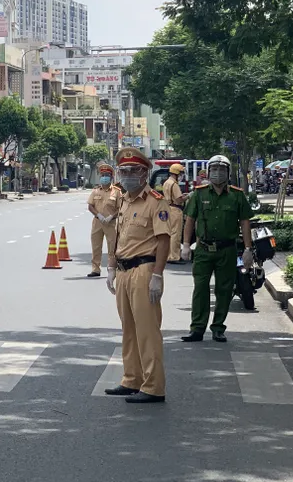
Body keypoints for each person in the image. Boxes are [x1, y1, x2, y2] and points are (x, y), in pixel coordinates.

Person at [105, 148, 170, 404]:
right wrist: (110, 267)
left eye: (133, 171)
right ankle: (132, 379)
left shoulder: (155, 202)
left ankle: (154, 387)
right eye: (124, 171)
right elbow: (118, 237)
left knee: (147, 331)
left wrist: (158, 275)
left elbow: (163, 240)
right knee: (128, 330)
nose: (128, 175)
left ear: (145, 173)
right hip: (123, 271)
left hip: (144, 270)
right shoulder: (123, 201)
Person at [180, 154, 254, 343]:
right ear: (209, 172)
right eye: (214, 170)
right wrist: (186, 245)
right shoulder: (199, 193)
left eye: (222, 170)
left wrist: (247, 249)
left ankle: (218, 328)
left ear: (228, 173)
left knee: (224, 290)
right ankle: (197, 328)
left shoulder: (237, 196)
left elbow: (245, 223)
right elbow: (190, 220)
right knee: (200, 288)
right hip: (203, 249)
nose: (217, 173)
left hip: (227, 250)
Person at [87, 164, 122, 278]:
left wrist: (111, 217)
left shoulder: (116, 192)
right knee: (96, 247)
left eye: (107, 175)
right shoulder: (96, 191)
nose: (104, 177)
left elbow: (121, 208)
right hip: (98, 222)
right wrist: (99, 215)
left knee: (112, 247)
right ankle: (95, 269)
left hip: (111, 223)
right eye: (102, 175)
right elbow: (90, 206)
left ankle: (111, 268)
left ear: (111, 177)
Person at [162, 164, 188, 264]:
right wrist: (188, 196)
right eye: (181, 173)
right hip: (176, 210)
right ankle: (174, 256)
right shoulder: (174, 184)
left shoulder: (166, 183)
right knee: (176, 234)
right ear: (177, 173)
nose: (182, 175)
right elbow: (179, 200)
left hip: (168, 208)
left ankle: (169, 255)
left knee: (170, 233)